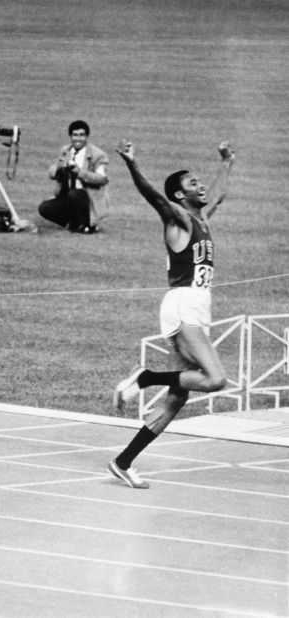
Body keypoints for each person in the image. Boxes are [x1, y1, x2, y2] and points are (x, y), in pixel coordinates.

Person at [109, 139, 235, 489]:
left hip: (193, 307)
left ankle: (123, 461)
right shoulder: (178, 218)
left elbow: (219, 193)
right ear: (180, 197)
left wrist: (227, 162)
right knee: (216, 380)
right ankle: (146, 377)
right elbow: (154, 196)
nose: (201, 186)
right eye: (193, 184)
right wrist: (132, 163)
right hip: (184, 305)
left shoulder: (202, 218)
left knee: (176, 399)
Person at [37, 120, 110, 234]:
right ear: (70, 136)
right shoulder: (66, 150)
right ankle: (72, 221)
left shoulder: (98, 155)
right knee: (44, 208)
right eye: (75, 135)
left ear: (86, 137)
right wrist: (59, 169)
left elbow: (101, 179)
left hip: (86, 198)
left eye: (82, 135)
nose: (78, 139)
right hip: (67, 196)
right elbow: (52, 172)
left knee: (75, 194)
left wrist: (80, 172)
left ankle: (86, 223)